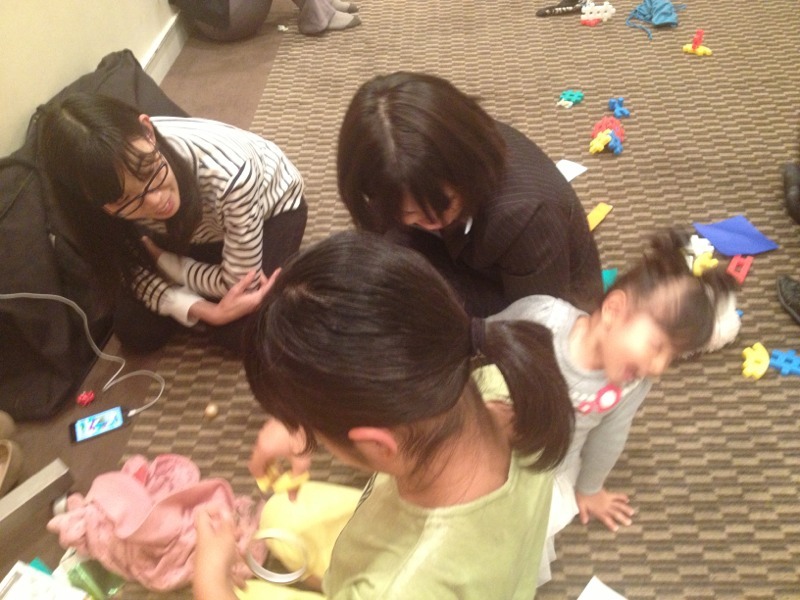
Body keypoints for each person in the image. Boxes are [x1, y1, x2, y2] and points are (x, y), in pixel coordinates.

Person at [192, 230, 575, 599]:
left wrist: (209, 580)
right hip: (468, 558)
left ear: (378, 444)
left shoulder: (400, 588)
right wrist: (307, 424)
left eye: (315, 429)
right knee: (278, 513)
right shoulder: (505, 382)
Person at [487, 229, 737, 584]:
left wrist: (589, 488)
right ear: (614, 310)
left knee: (512, 543)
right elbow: (485, 340)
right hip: (487, 435)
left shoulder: (631, 383)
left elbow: (609, 437)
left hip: (545, 470)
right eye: (657, 346)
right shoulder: (542, 317)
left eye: (672, 357)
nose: (659, 367)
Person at [38, 93, 307, 355]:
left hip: (271, 209)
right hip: (188, 232)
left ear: (148, 131)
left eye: (149, 171)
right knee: (134, 330)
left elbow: (238, 283)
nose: (156, 201)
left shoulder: (231, 174)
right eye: (125, 200)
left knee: (240, 333)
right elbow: (130, 270)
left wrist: (167, 264)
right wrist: (210, 311)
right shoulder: (95, 201)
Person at [336, 71, 604, 318]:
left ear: (466, 171)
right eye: (407, 212)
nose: (429, 221)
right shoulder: (413, 158)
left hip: (539, 299)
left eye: (443, 204)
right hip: (470, 254)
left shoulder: (528, 217)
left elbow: (537, 326)